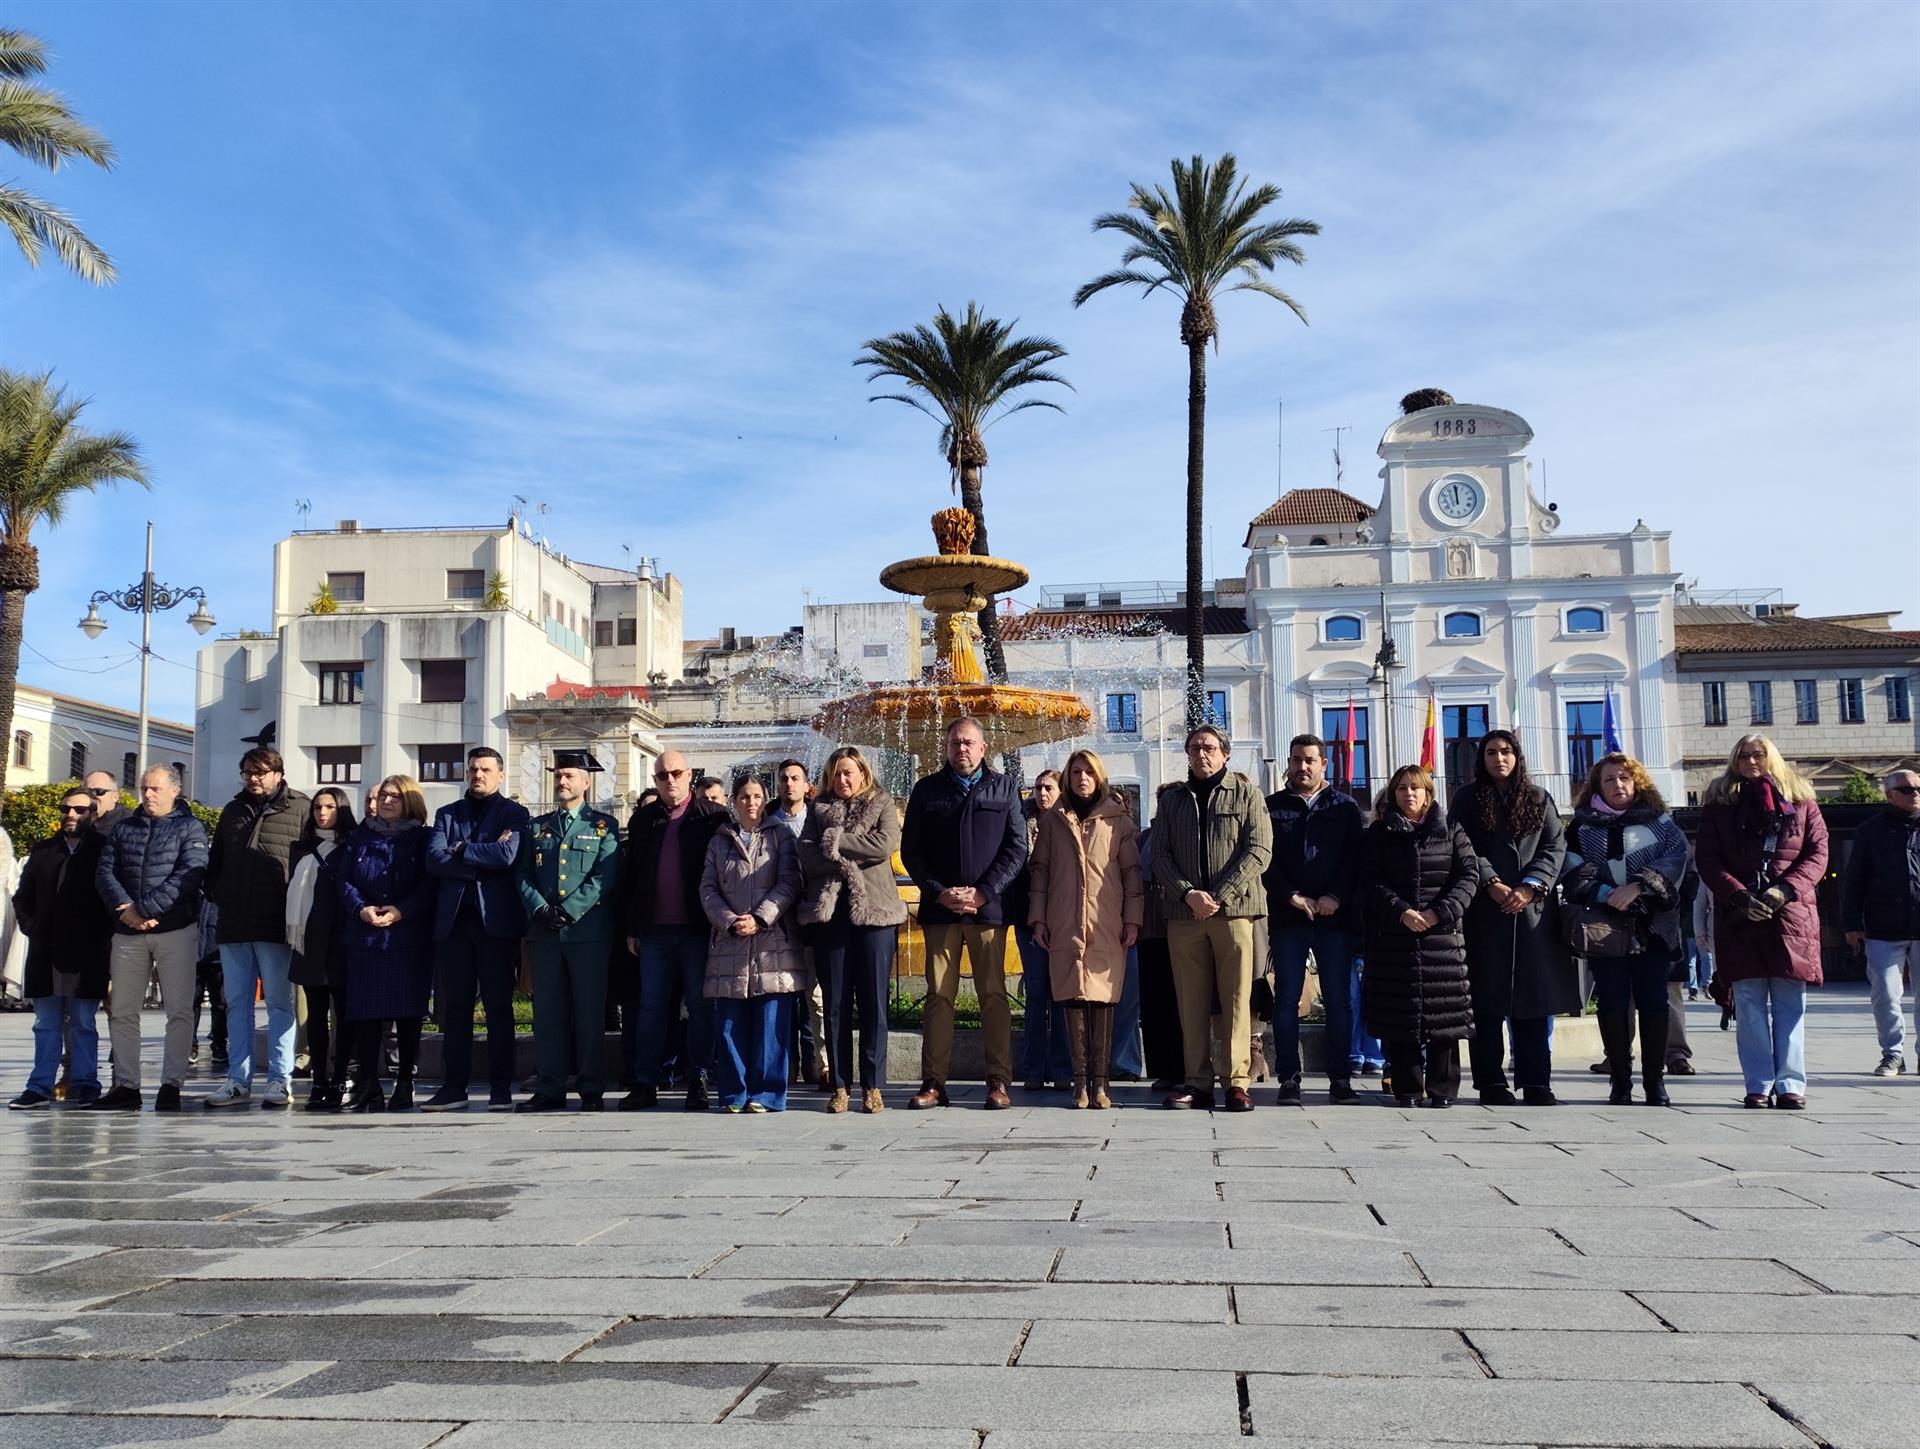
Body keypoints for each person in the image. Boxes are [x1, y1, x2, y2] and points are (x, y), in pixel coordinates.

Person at [901, 716, 1027, 1110]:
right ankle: (934, 1082)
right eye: (956, 743)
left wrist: (985, 892)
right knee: (939, 996)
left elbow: (1017, 848)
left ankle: (998, 1081)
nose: (962, 750)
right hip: (941, 912)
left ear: (984, 747)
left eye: (969, 743)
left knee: (993, 994)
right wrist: (938, 893)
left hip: (987, 910)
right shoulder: (926, 790)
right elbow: (912, 852)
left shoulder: (1005, 788)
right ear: (946, 748)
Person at [1696, 735, 1829, 1109]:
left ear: (1772, 757)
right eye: (1743, 755)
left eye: (1758, 754)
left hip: (1790, 913)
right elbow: (1708, 859)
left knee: (1790, 1004)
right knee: (1750, 1005)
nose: (1751, 761)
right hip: (1740, 915)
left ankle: (1790, 1084)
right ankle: (1759, 1083)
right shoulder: (1720, 803)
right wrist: (1738, 896)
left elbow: (1818, 854)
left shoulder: (1802, 800)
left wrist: (1784, 891)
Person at [1153, 724, 1272, 1112]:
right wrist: (1188, 894)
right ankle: (1197, 1082)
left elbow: (1258, 850)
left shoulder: (1247, 793)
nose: (1201, 754)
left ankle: (1237, 1082)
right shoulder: (1172, 800)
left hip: (1234, 913)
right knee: (1191, 1002)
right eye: (1194, 748)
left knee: (1238, 1000)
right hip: (1185, 915)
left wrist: (1219, 896)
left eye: (1208, 748)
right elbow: (1160, 857)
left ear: (1225, 754)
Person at [1452, 730, 1575, 1106]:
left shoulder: (1538, 798)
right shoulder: (1467, 799)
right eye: (1491, 752)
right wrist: (1491, 883)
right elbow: (1462, 843)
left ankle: (1536, 1081)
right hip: (1486, 913)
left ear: (1517, 757)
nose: (1499, 759)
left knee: (1533, 1003)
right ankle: (1490, 1082)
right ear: (1482, 758)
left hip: (1532, 913)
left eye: (1506, 752)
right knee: (1487, 1004)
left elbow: (1555, 845)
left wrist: (1529, 886)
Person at [1563, 752, 1690, 1107]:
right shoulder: (1582, 828)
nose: (1618, 784)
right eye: (1609, 779)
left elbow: (1677, 861)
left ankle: (1655, 1082)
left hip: (1653, 927)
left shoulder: (1662, 823)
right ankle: (1620, 1081)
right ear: (1596, 786)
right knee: (1612, 1004)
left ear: (1637, 782)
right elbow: (1572, 869)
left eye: (1624, 778)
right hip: (1605, 929)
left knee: (1654, 1002)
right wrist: (1605, 892)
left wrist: (1639, 887)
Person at [91, 766, 209, 1112]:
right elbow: (105, 872)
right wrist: (125, 910)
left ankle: (171, 1084)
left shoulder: (190, 827)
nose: (148, 794)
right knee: (123, 1011)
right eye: (144, 788)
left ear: (175, 790)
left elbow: (190, 874)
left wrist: (143, 908)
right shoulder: (124, 828)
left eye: (155, 788)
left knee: (179, 1010)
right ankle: (126, 1086)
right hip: (128, 933)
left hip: (175, 930)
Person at [1359, 765, 1478, 1108]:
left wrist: (1439, 912)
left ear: (1428, 793)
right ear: (1393, 795)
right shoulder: (1379, 835)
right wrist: (1400, 911)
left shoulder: (1452, 831)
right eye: (1401, 789)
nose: (1409, 794)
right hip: (1397, 937)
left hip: (1442, 938)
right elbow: (1370, 880)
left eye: (1416, 788)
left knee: (1445, 1019)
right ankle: (1407, 1088)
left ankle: (1442, 1089)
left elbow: (1468, 876)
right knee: (1402, 1017)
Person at [1029, 749, 1142, 1109]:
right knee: (1072, 994)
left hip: (1105, 919)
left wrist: (1132, 919)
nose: (1081, 778)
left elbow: (1132, 874)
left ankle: (1102, 1084)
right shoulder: (1053, 821)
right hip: (1064, 917)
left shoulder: (1117, 820)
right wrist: (1039, 919)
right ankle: (1080, 1083)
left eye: (1088, 773)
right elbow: (1041, 872)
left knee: (1103, 996)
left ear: (1099, 777)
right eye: (1075, 772)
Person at [423, 746, 531, 1112]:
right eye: (472, 769)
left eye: (485, 769)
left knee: (500, 1008)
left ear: (501, 775)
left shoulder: (514, 813)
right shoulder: (447, 813)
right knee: (454, 1009)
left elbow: (507, 856)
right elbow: (435, 860)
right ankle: (454, 1087)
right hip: (454, 926)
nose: (477, 775)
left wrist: (461, 850)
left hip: (496, 927)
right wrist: (477, 854)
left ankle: (501, 1088)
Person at [798, 746, 905, 1113]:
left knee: (874, 1003)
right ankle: (840, 1085)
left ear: (862, 774)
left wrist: (836, 842)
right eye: (837, 773)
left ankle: (873, 1085)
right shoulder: (818, 809)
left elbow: (884, 844)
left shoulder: (882, 802)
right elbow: (807, 856)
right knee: (836, 1003)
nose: (842, 780)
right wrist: (840, 851)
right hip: (832, 916)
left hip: (875, 914)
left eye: (849, 773)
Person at [202, 747, 309, 1110]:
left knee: (280, 1003)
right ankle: (237, 1080)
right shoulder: (232, 810)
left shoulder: (301, 808)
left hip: (276, 924)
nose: (254, 778)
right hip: (233, 923)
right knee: (236, 1005)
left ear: (278, 773)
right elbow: (215, 861)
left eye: (261, 771)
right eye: (248, 771)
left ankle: (280, 1080)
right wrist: (217, 893)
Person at [621, 749, 727, 1110]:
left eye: (676, 773)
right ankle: (646, 1081)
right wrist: (633, 927)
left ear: (690, 775)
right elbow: (632, 875)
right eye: (662, 775)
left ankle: (698, 1079)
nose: (670, 780)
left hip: (698, 930)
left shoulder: (713, 817)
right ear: (655, 780)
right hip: (654, 932)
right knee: (651, 1008)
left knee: (701, 1007)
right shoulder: (643, 820)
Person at [517, 751, 622, 1112]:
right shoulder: (536, 827)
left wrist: (569, 909)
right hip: (545, 934)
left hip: (587, 934)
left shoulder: (603, 827)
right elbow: (523, 874)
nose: (562, 782)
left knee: (589, 1012)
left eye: (570, 776)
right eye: (559, 775)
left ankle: (591, 1087)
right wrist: (540, 908)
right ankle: (549, 1087)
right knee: (547, 1013)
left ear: (586, 782)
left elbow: (604, 877)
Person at [1264, 734, 1365, 1105]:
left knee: (1339, 999)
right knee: (1287, 999)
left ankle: (1340, 1079)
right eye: (1295, 760)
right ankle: (1289, 1079)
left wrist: (1334, 897)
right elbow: (1265, 859)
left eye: (1309, 760)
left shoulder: (1345, 807)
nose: (1302, 767)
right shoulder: (1271, 806)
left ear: (1324, 764)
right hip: (1289, 916)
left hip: (1333, 917)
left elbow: (1355, 858)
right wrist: (1290, 895)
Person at [700, 774, 804, 1112]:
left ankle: (768, 1093)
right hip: (729, 941)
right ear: (734, 800)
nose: (751, 803)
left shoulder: (780, 836)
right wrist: (729, 921)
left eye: (757, 796)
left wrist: (760, 917)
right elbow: (707, 889)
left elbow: (789, 882)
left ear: (765, 799)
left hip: (771, 941)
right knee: (729, 1023)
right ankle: (734, 1093)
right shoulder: (719, 841)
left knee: (771, 1021)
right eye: (745, 796)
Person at [337, 775, 436, 1112]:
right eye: (383, 796)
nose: (386, 801)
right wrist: (360, 908)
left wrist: (401, 910)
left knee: (407, 1014)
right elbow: (345, 879)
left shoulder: (423, 838)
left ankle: (405, 1082)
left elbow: (429, 885)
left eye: (395, 796)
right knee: (365, 1014)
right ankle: (369, 1084)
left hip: (406, 937)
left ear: (409, 800)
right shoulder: (360, 836)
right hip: (364, 935)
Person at [9, 788, 113, 1108]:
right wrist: (33, 927)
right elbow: (22, 898)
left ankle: (84, 1083)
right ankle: (39, 1086)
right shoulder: (44, 850)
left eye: (79, 810)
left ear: (92, 813)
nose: (71, 815)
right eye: (66, 809)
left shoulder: (104, 850)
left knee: (83, 1021)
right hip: (46, 952)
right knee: (46, 1023)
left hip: (87, 953)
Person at [1842, 769, 1920, 1077]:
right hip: (1883, 925)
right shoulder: (1870, 831)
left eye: (1918, 787)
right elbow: (1854, 880)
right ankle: (1893, 1054)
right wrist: (1850, 922)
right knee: (1886, 995)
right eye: (1906, 788)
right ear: (1889, 794)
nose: (1914, 792)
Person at [287, 787, 357, 1111]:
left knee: (343, 1015)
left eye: (329, 806)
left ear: (341, 809)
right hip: (309, 940)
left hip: (342, 941)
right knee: (314, 1015)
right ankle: (318, 1080)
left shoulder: (351, 846)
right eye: (317, 806)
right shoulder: (301, 848)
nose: (322, 812)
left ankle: (341, 1077)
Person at [770, 758, 830, 1090]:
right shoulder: (768, 821)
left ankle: (820, 1064)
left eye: (795, 778)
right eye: (783, 778)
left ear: (807, 785)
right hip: (776, 920)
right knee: (779, 994)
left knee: (815, 996)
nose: (788, 783)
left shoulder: (818, 817)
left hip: (810, 916)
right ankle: (783, 1063)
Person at [1012, 769, 1071, 1092]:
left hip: (1063, 919)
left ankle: (1063, 1069)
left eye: (1048, 787)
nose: (1041, 793)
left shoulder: (1069, 821)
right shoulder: (1022, 821)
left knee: (1061, 994)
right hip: (1027, 919)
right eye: (1037, 788)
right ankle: (1033, 1069)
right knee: (1036, 995)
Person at [1133, 824, 1182, 1088]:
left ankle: (1183, 1070)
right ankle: (1162, 1070)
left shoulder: (1183, 833)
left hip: (1175, 926)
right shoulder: (1145, 837)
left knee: (1178, 1003)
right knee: (1153, 1005)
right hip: (1147, 931)